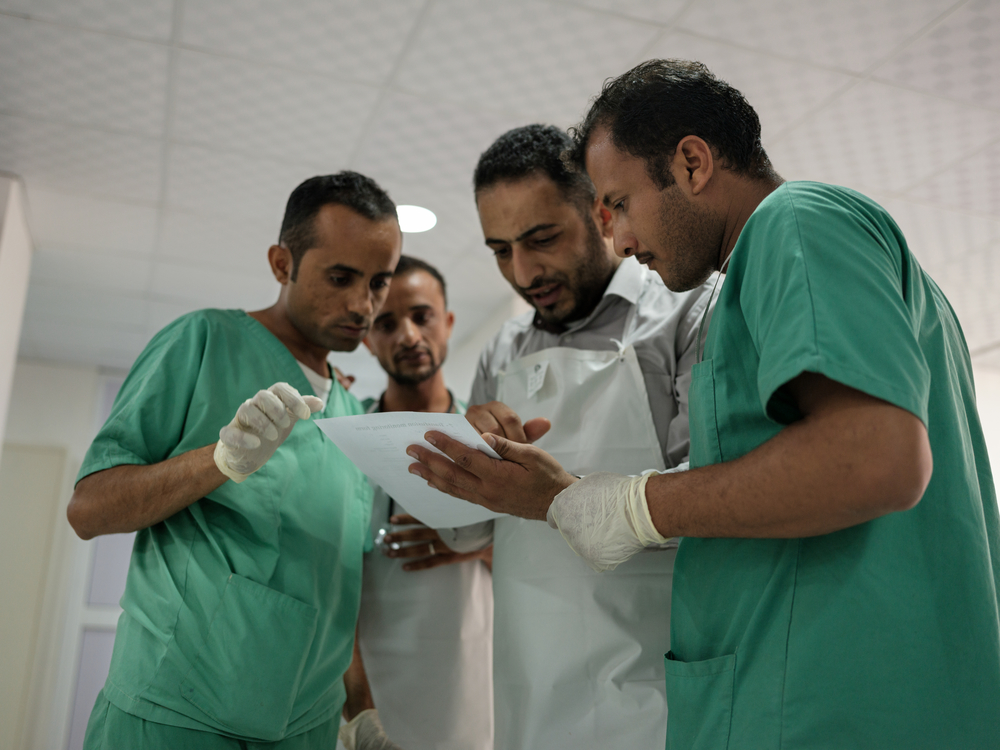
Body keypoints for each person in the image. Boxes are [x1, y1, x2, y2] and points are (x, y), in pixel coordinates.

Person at [408, 60, 1000, 749]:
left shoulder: (799, 221)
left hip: (840, 700)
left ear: (692, 163)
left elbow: (877, 457)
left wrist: (626, 506)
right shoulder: (761, 278)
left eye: (620, 204)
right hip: (805, 692)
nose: (620, 239)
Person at [68, 172, 405, 750]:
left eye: (379, 282)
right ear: (282, 263)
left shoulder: (350, 413)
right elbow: (89, 510)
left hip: (306, 728)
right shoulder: (201, 342)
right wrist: (220, 460)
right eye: (341, 277)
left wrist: (361, 710)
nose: (362, 304)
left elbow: (333, 587)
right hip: (177, 713)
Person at [427, 124, 715, 749]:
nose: (524, 271)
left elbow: (716, 499)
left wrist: (563, 499)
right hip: (529, 684)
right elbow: (466, 533)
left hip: (655, 682)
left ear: (601, 210)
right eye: (500, 250)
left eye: (541, 239)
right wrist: (457, 466)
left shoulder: (685, 311)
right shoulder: (503, 350)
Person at [346, 254, 493, 750]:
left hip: (464, 688)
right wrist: (356, 701)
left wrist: (464, 543)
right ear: (367, 338)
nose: (408, 335)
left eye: (422, 316)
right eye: (386, 323)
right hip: (360, 686)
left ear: (448, 323)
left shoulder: (487, 443)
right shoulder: (342, 442)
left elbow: (540, 552)